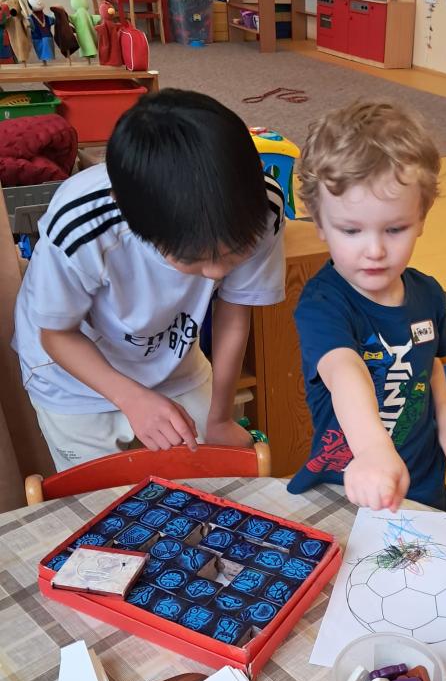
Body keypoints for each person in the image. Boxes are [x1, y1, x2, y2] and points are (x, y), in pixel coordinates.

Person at [13, 89, 285, 470]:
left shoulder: (261, 206)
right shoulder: (82, 224)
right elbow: (56, 335)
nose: (217, 273)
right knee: (105, 495)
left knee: (207, 473)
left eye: (234, 252)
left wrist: (221, 417)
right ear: (131, 219)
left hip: (170, 353)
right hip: (71, 373)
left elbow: (235, 309)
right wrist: (131, 398)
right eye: (193, 260)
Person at [286, 101, 446, 512]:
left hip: (423, 482)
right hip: (349, 482)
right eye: (351, 230)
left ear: (422, 217)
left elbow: (431, 364)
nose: (374, 250)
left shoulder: (428, 293)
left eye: (395, 228)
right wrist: (372, 450)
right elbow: (344, 370)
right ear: (319, 223)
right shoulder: (322, 304)